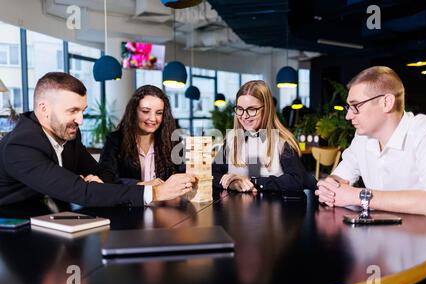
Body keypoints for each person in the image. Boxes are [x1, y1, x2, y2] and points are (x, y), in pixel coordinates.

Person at [0, 72, 196, 207]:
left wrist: (138, 186)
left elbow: (103, 175)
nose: (81, 120)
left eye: (82, 111)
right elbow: (81, 193)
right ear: (44, 109)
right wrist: (155, 193)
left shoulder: (68, 136)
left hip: (48, 221)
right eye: (73, 111)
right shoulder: (21, 145)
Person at [315, 66, 426, 219]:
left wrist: (359, 196)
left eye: (356, 106)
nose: (348, 116)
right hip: (376, 237)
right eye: (349, 107)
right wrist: (329, 187)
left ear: (386, 102)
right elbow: (338, 178)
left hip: (425, 239)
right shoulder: (362, 138)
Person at [213, 80, 313, 193]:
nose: (244, 116)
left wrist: (253, 181)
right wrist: (231, 183)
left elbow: (297, 181)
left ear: (266, 109)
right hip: (237, 208)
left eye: (251, 109)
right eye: (240, 109)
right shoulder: (231, 138)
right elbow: (213, 173)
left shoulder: (282, 142)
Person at [99, 85, 177, 186]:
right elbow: (106, 177)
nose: (153, 119)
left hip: (165, 201)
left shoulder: (172, 140)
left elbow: (183, 171)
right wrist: (142, 184)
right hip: (130, 200)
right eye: (145, 111)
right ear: (134, 112)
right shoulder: (115, 140)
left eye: (159, 113)